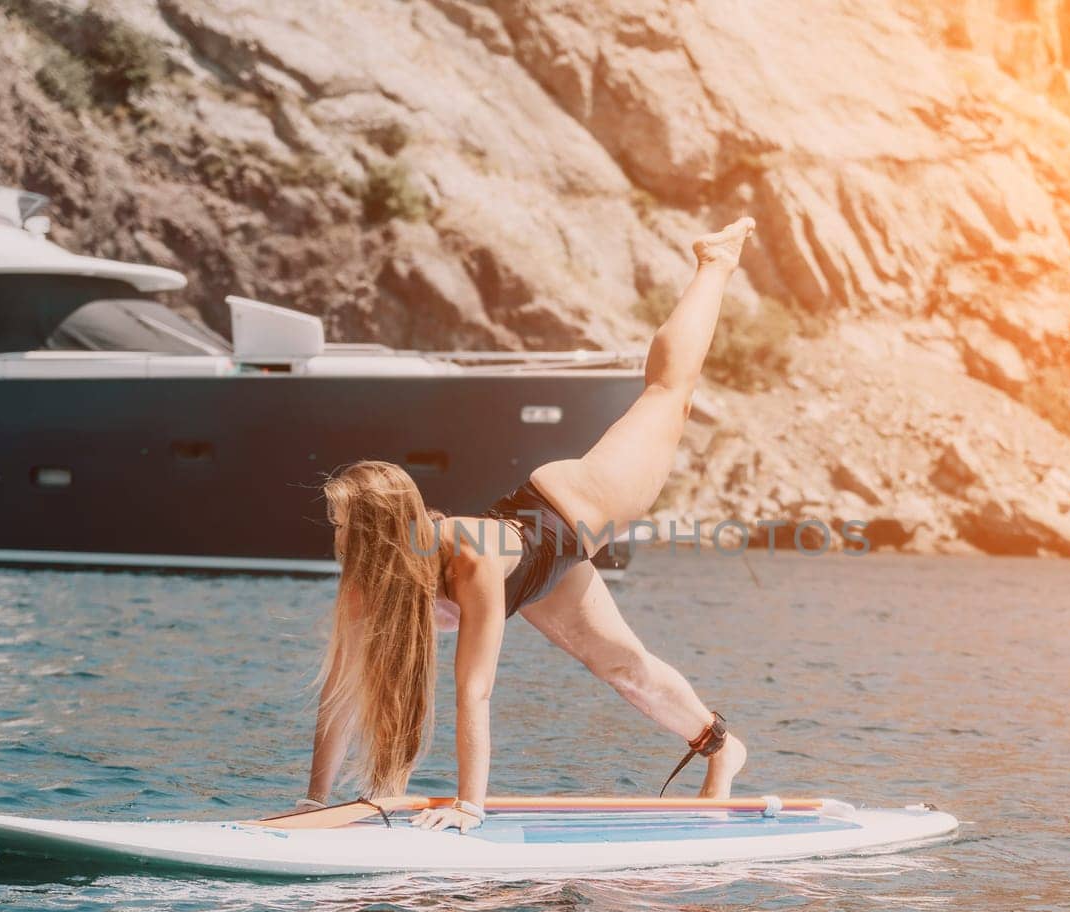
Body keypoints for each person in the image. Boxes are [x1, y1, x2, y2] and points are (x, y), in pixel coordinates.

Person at [298, 218, 756, 833]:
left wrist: (469, 807)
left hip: (573, 506)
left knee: (667, 392)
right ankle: (722, 747)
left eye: (343, 521)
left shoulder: (470, 560)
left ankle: (715, 263)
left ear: (377, 529)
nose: (336, 534)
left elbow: (475, 691)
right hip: (536, 571)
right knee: (624, 668)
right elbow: (340, 694)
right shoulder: (368, 582)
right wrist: (313, 801)